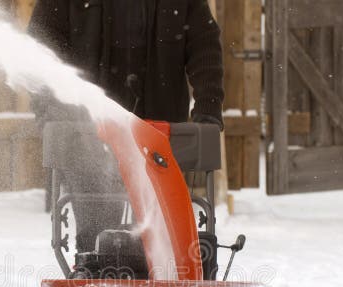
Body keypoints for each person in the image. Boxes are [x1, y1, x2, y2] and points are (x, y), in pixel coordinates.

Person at [28, 0, 225, 254]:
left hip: (157, 134)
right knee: (97, 235)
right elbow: (41, 45)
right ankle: (95, 275)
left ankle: (162, 278)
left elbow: (204, 44)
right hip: (86, 132)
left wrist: (208, 110)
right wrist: (49, 113)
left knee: (159, 235)